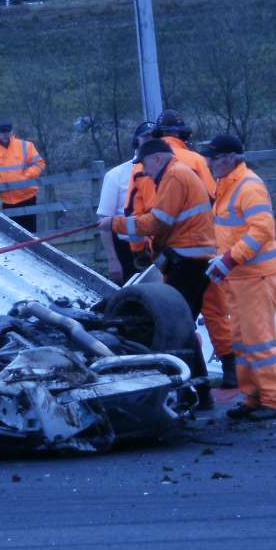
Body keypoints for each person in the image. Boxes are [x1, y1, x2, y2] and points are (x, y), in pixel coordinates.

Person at [99, 138, 217, 409]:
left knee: (174, 325)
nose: (144, 172)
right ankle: (199, 390)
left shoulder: (174, 176)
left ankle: (193, 391)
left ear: (157, 159)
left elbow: (158, 222)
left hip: (189, 261)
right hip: (191, 259)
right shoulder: (175, 175)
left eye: (144, 165)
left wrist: (114, 223)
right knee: (183, 324)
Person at [202, 134, 276, 421]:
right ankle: (253, 398)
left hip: (255, 277)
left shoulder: (248, 186)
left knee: (259, 341)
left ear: (231, 158)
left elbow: (261, 230)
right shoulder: (228, 185)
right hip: (239, 277)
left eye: (213, 157)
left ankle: (274, 401)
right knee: (241, 341)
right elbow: (234, 232)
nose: (209, 162)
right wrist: (224, 262)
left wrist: (228, 259)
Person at [154, 110, 236, 388]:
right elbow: (214, 198)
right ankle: (229, 368)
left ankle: (186, 375)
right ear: (183, 134)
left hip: (167, 252)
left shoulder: (142, 165)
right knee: (214, 309)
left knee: (174, 316)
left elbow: (139, 211)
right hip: (206, 248)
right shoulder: (197, 161)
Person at [96, 122, 154, 285]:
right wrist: (113, 260)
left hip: (158, 246)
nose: (151, 141)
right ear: (137, 141)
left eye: (155, 137)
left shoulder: (166, 173)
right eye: (147, 137)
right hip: (126, 249)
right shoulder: (116, 175)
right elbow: (104, 222)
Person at [0, 121, 46, 232]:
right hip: (7, 199)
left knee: (31, 233)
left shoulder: (26, 145)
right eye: (2, 132)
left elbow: (40, 164)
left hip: (28, 195)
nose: (5, 134)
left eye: (7, 131)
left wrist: (26, 176)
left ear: (12, 131)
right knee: (13, 233)